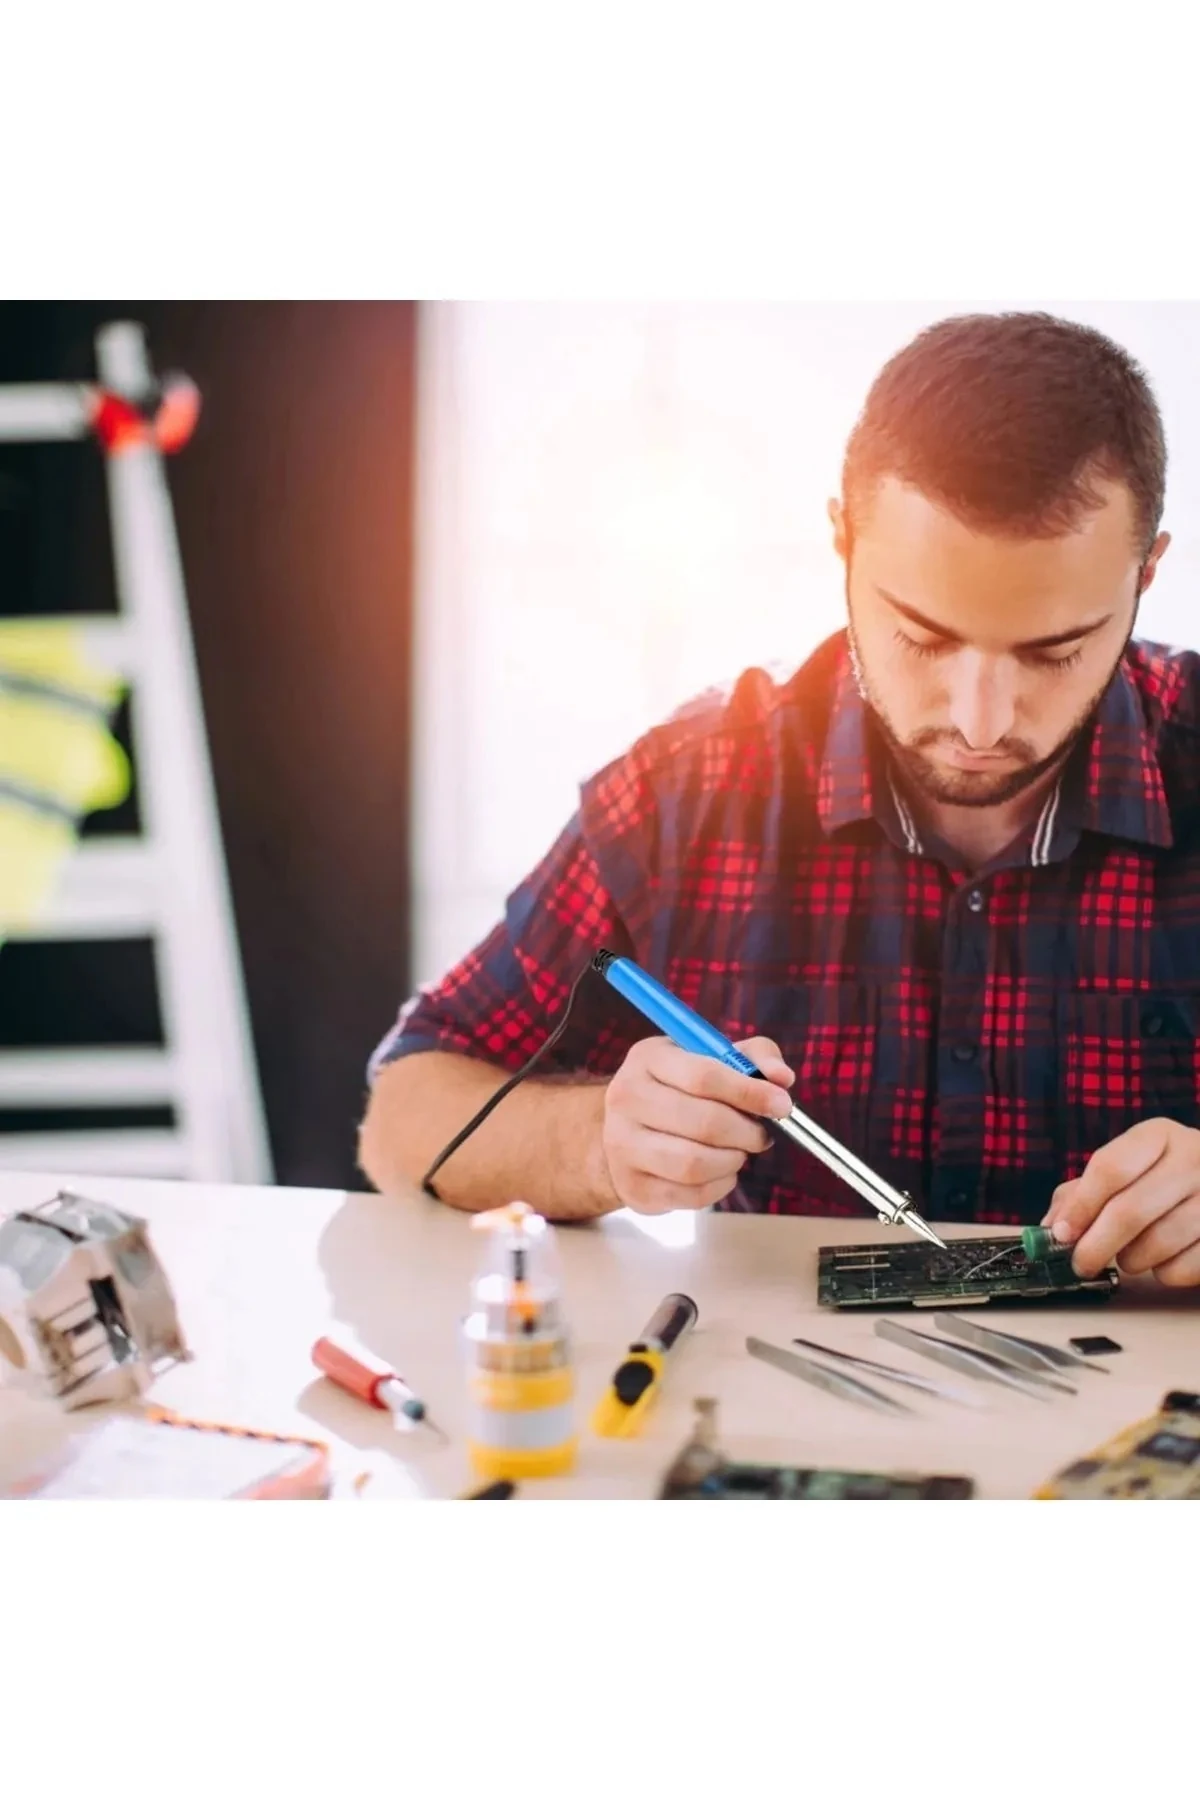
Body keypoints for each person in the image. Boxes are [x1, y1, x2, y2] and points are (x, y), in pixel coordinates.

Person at [360, 310, 1200, 1290]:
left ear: (1146, 573)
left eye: (1055, 651)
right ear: (842, 541)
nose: (981, 720)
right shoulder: (690, 790)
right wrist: (597, 1141)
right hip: (784, 1417)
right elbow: (404, 1120)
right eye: (924, 639)